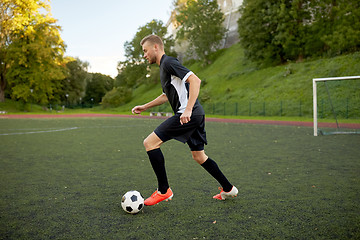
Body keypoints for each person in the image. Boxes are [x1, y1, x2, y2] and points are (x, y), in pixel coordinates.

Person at [131, 34, 238, 206]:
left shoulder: (168, 62)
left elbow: (195, 80)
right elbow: (166, 95)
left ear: (156, 47)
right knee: (199, 156)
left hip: (188, 114)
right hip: (195, 114)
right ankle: (228, 188)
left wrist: (187, 109)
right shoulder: (164, 68)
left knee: (150, 143)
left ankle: (163, 190)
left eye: (145, 50)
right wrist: (145, 106)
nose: (144, 55)